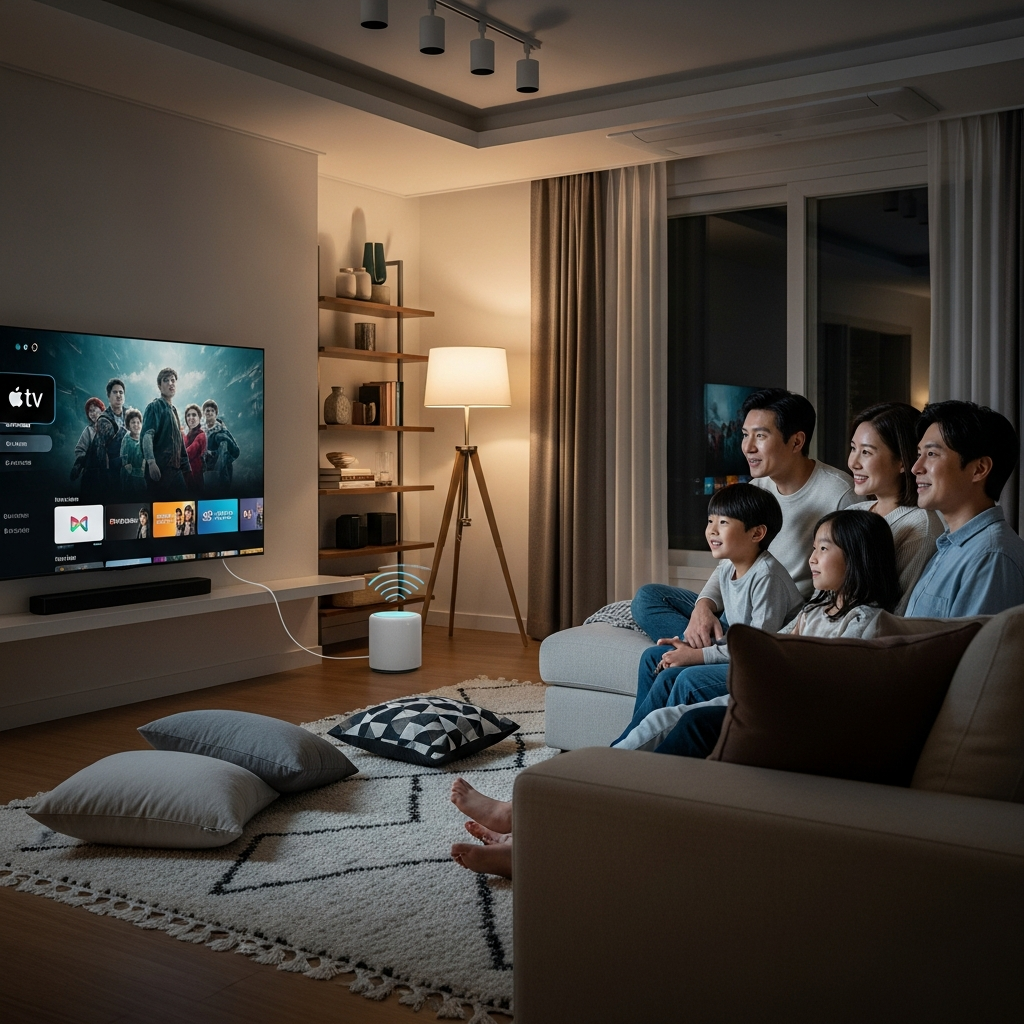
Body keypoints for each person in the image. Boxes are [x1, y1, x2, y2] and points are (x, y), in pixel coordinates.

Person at [645, 509, 902, 759]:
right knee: (663, 714)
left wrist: (703, 655)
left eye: (822, 549)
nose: (811, 558)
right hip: (771, 688)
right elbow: (772, 644)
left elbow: (828, 679)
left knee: (690, 718)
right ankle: (615, 767)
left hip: (788, 705)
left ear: (859, 556)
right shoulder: (814, 609)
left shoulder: (864, 620)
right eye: (814, 549)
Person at [632, 388, 854, 646]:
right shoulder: (758, 487)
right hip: (739, 606)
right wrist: (702, 607)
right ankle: (713, 651)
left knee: (662, 655)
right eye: (745, 435)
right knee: (648, 598)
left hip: (779, 616)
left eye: (760, 436)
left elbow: (842, 586)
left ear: (796, 442)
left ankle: (713, 654)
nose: (747, 447)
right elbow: (730, 563)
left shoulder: (839, 494)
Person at [613, 482, 803, 745]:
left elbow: (756, 650)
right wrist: (691, 646)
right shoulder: (728, 566)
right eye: (710, 520)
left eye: (723, 522)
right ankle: (632, 740)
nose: (711, 530)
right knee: (652, 657)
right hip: (735, 649)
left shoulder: (767, 577)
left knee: (676, 676)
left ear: (757, 533)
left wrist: (697, 656)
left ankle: (636, 751)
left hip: (758, 665)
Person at [904, 401, 1024, 617]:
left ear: (979, 469)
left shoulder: (991, 557)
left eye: (931, 454)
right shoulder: (951, 544)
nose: (915, 468)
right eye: (919, 453)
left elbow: (975, 650)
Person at [846, 403, 944, 613]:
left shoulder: (920, 526)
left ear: (902, 461)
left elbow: (898, 612)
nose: (853, 462)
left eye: (866, 452)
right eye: (853, 448)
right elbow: (820, 601)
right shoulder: (854, 513)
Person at [141, 368, 192, 499]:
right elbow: (147, 435)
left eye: (173, 380)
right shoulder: (154, 406)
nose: (171, 383)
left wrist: (187, 468)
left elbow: (179, 442)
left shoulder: (174, 411)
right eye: (166, 380)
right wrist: (151, 462)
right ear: (159, 385)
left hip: (175, 471)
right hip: (160, 470)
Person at [95, 378, 128, 497]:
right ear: (109, 396)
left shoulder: (131, 414)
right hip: (114, 471)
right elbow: (102, 451)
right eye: (115, 392)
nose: (119, 395)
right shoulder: (103, 420)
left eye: (121, 392)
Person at [202, 399, 239, 492]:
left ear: (216, 413)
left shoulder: (222, 431)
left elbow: (236, 451)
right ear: (203, 413)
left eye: (212, 411)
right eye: (207, 411)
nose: (210, 413)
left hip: (222, 472)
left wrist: (224, 459)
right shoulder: (200, 431)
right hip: (205, 471)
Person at [70, 397, 104, 482]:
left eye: (94, 409)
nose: (92, 413)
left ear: (101, 410)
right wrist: (78, 465)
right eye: (90, 411)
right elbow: (80, 449)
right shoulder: (88, 431)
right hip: (91, 473)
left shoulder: (110, 428)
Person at [119, 408, 147, 495]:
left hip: (142, 476)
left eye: (138, 422)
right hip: (129, 476)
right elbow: (124, 460)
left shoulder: (144, 438)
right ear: (128, 424)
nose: (136, 425)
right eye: (133, 422)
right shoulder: (127, 439)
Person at [182, 403, 206, 494]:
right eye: (188, 415)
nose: (191, 417)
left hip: (196, 479)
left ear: (199, 418)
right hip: (185, 479)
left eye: (194, 415)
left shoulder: (201, 435)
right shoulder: (186, 436)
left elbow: (188, 453)